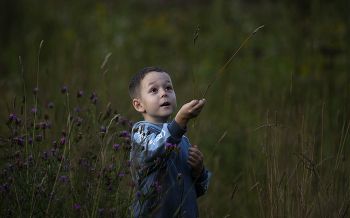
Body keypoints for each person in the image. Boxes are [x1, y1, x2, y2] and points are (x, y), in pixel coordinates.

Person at [129, 67, 211, 217]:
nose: (163, 93)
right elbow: (153, 151)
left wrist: (199, 171)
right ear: (139, 105)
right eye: (154, 90)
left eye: (168, 88)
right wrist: (179, 121)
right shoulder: (139, 132)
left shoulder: (183, 140)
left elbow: (197, 191)